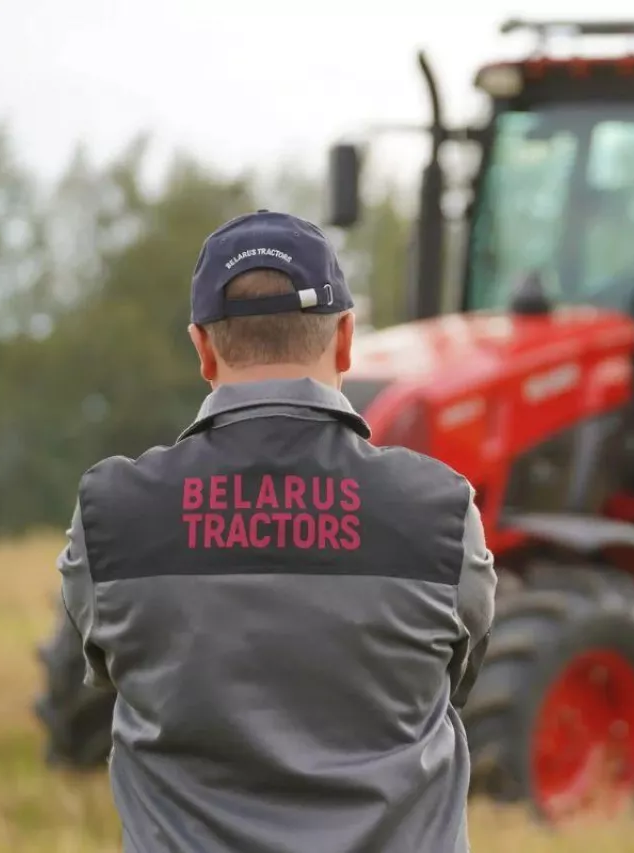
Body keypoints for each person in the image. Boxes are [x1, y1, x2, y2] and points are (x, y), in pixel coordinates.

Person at [54, 209, 496, 853]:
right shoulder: (444, 512)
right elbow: (459, 673)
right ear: (346, 339)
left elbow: (104, 669)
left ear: (203, 348)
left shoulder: (109, 513)